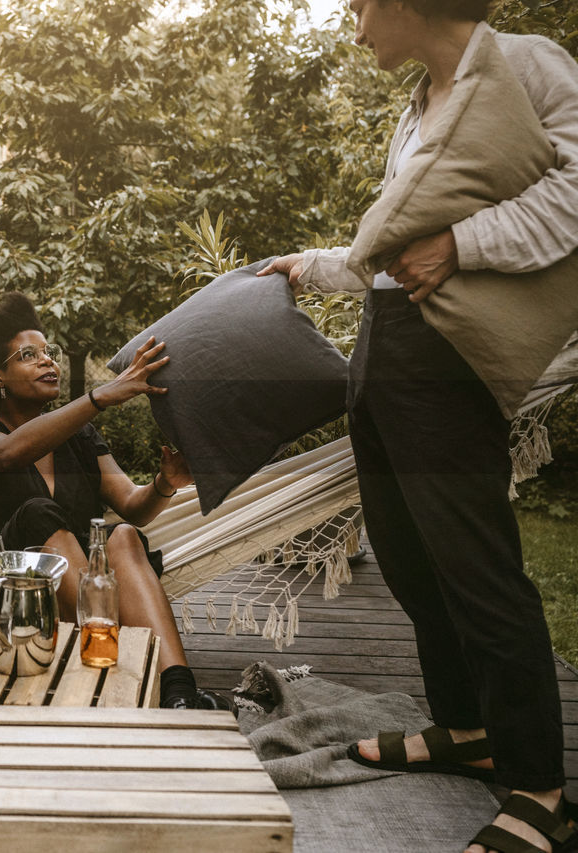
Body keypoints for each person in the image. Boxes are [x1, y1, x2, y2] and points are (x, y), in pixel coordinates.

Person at [258, 3, 578, 851]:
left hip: (447, 353)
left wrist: (464, 245)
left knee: (476, 567)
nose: (355, 26)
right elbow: (394, 247)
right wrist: (311, 266)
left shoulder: (528, 63)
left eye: (361, 6)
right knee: (406, 554)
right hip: (386, 345)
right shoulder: (418, 104)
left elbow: (577, 192)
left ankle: (541, 787)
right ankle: (467, 726)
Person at [0, 292, 231, 712]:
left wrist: (164, 483)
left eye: (50, 353)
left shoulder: (79, 438)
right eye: (29, 355)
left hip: (86, 583)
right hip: (11, 582)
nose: (48, 361)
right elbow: (8, 453)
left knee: (122, 534)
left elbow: (133, 504)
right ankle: (117, 677)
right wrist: (101, 397)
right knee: (39, 514)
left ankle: (178, 691)